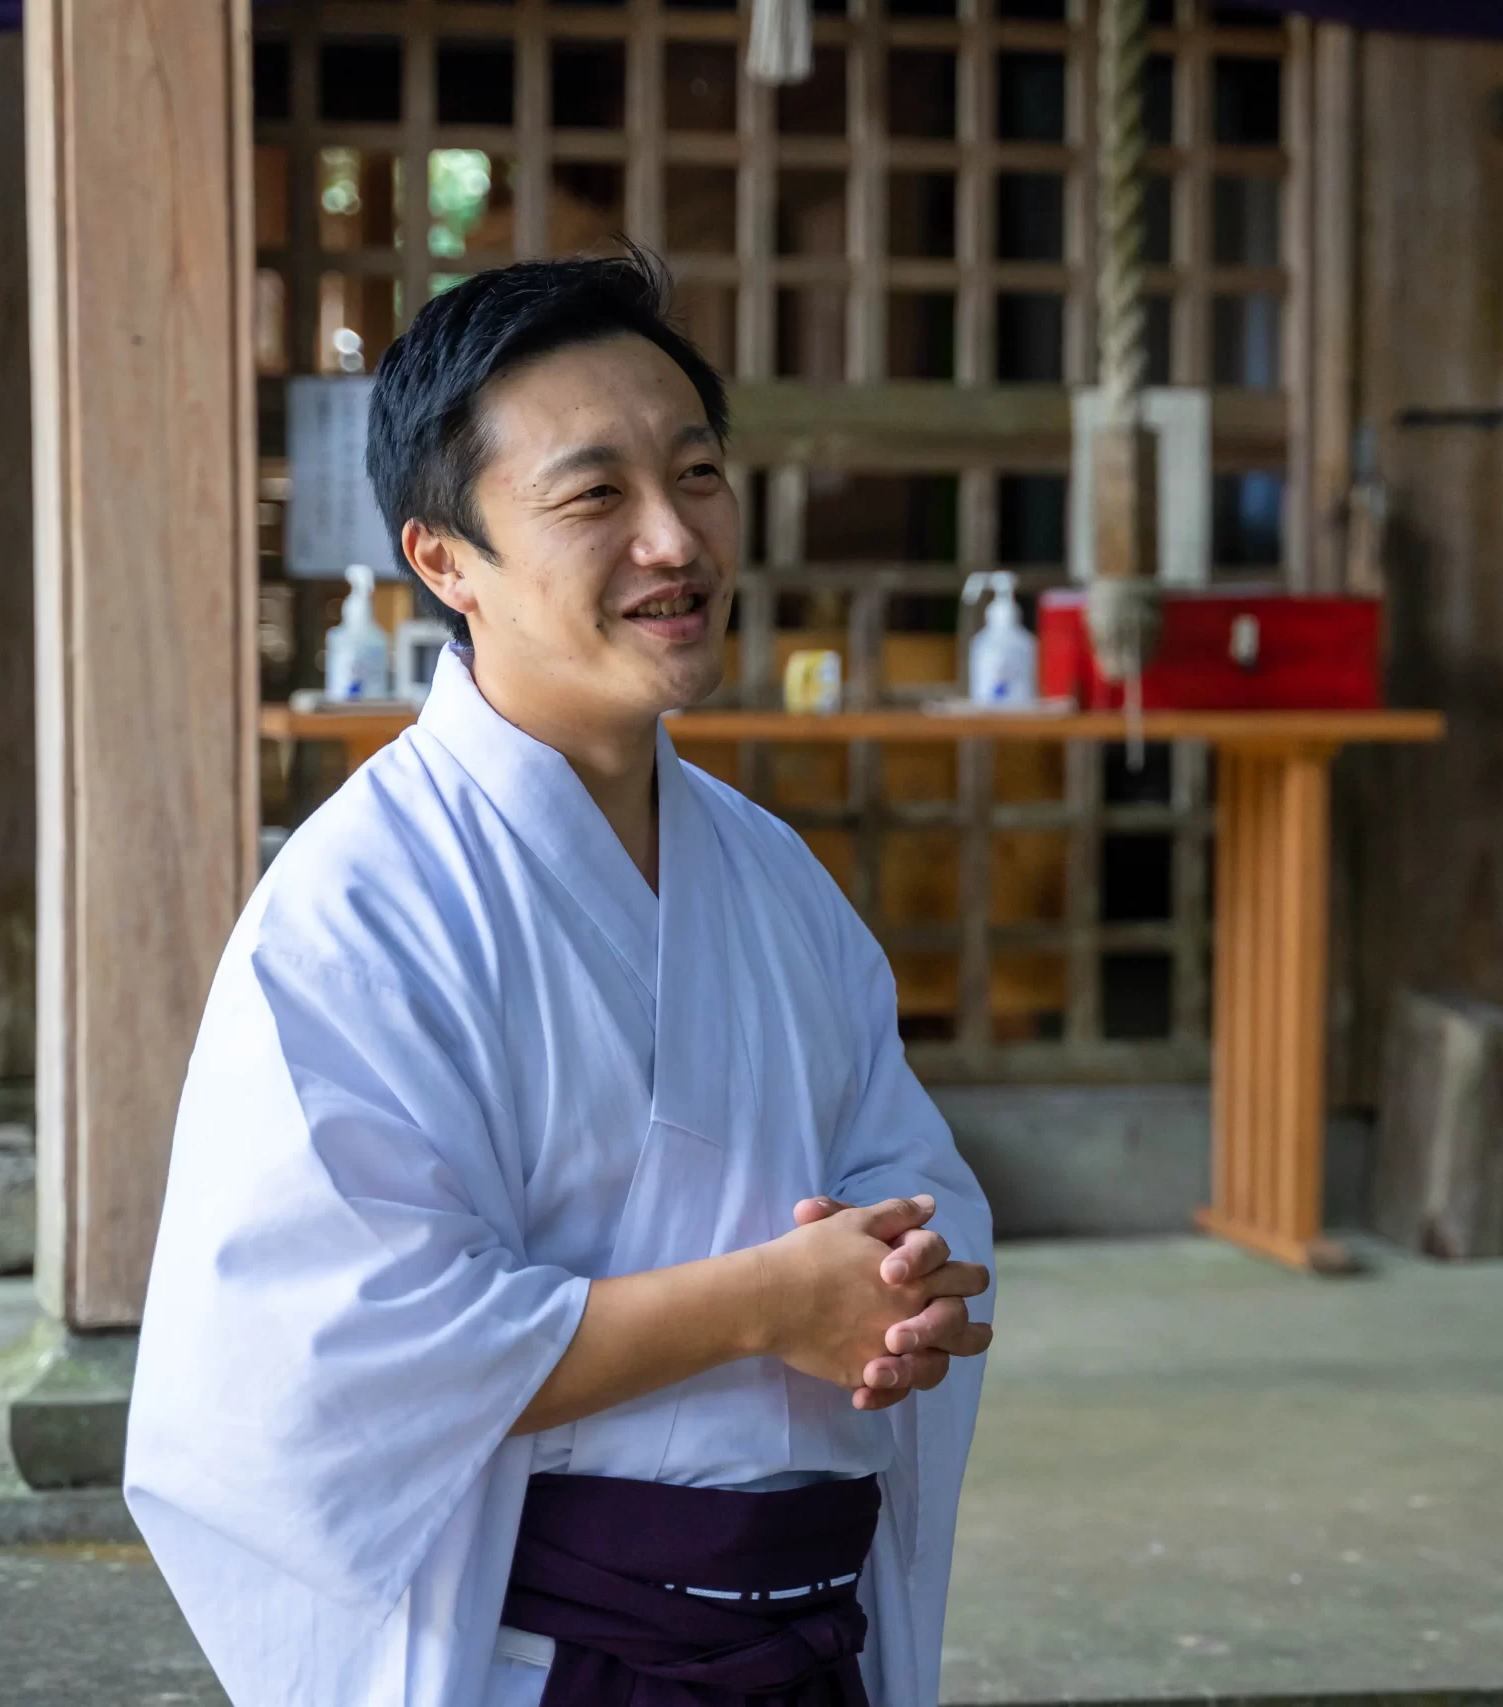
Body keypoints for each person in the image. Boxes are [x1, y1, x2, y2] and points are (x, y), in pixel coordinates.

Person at [125, 245, 996, 1707]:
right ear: (444, 561)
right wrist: (765, 1302)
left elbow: (912, 1175)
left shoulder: (774, 877)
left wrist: (899, 1281)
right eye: (596, 496)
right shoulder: (358, 908)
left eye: (698, 474)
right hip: (541, 1657)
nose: (674, 538)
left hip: (806, 1636)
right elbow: (338, 1356)